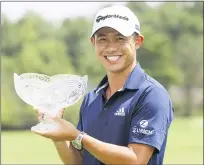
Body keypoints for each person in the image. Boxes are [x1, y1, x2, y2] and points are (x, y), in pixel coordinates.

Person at [32, 5, 174, 165]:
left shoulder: (151, 94)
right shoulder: (91, 99)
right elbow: (79, 161)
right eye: (102, 39)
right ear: (93, 42)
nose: (111, 47)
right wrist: (57, 132)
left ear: (138, 41)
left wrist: (77, 136)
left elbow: (136, 160)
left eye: (120, 38)